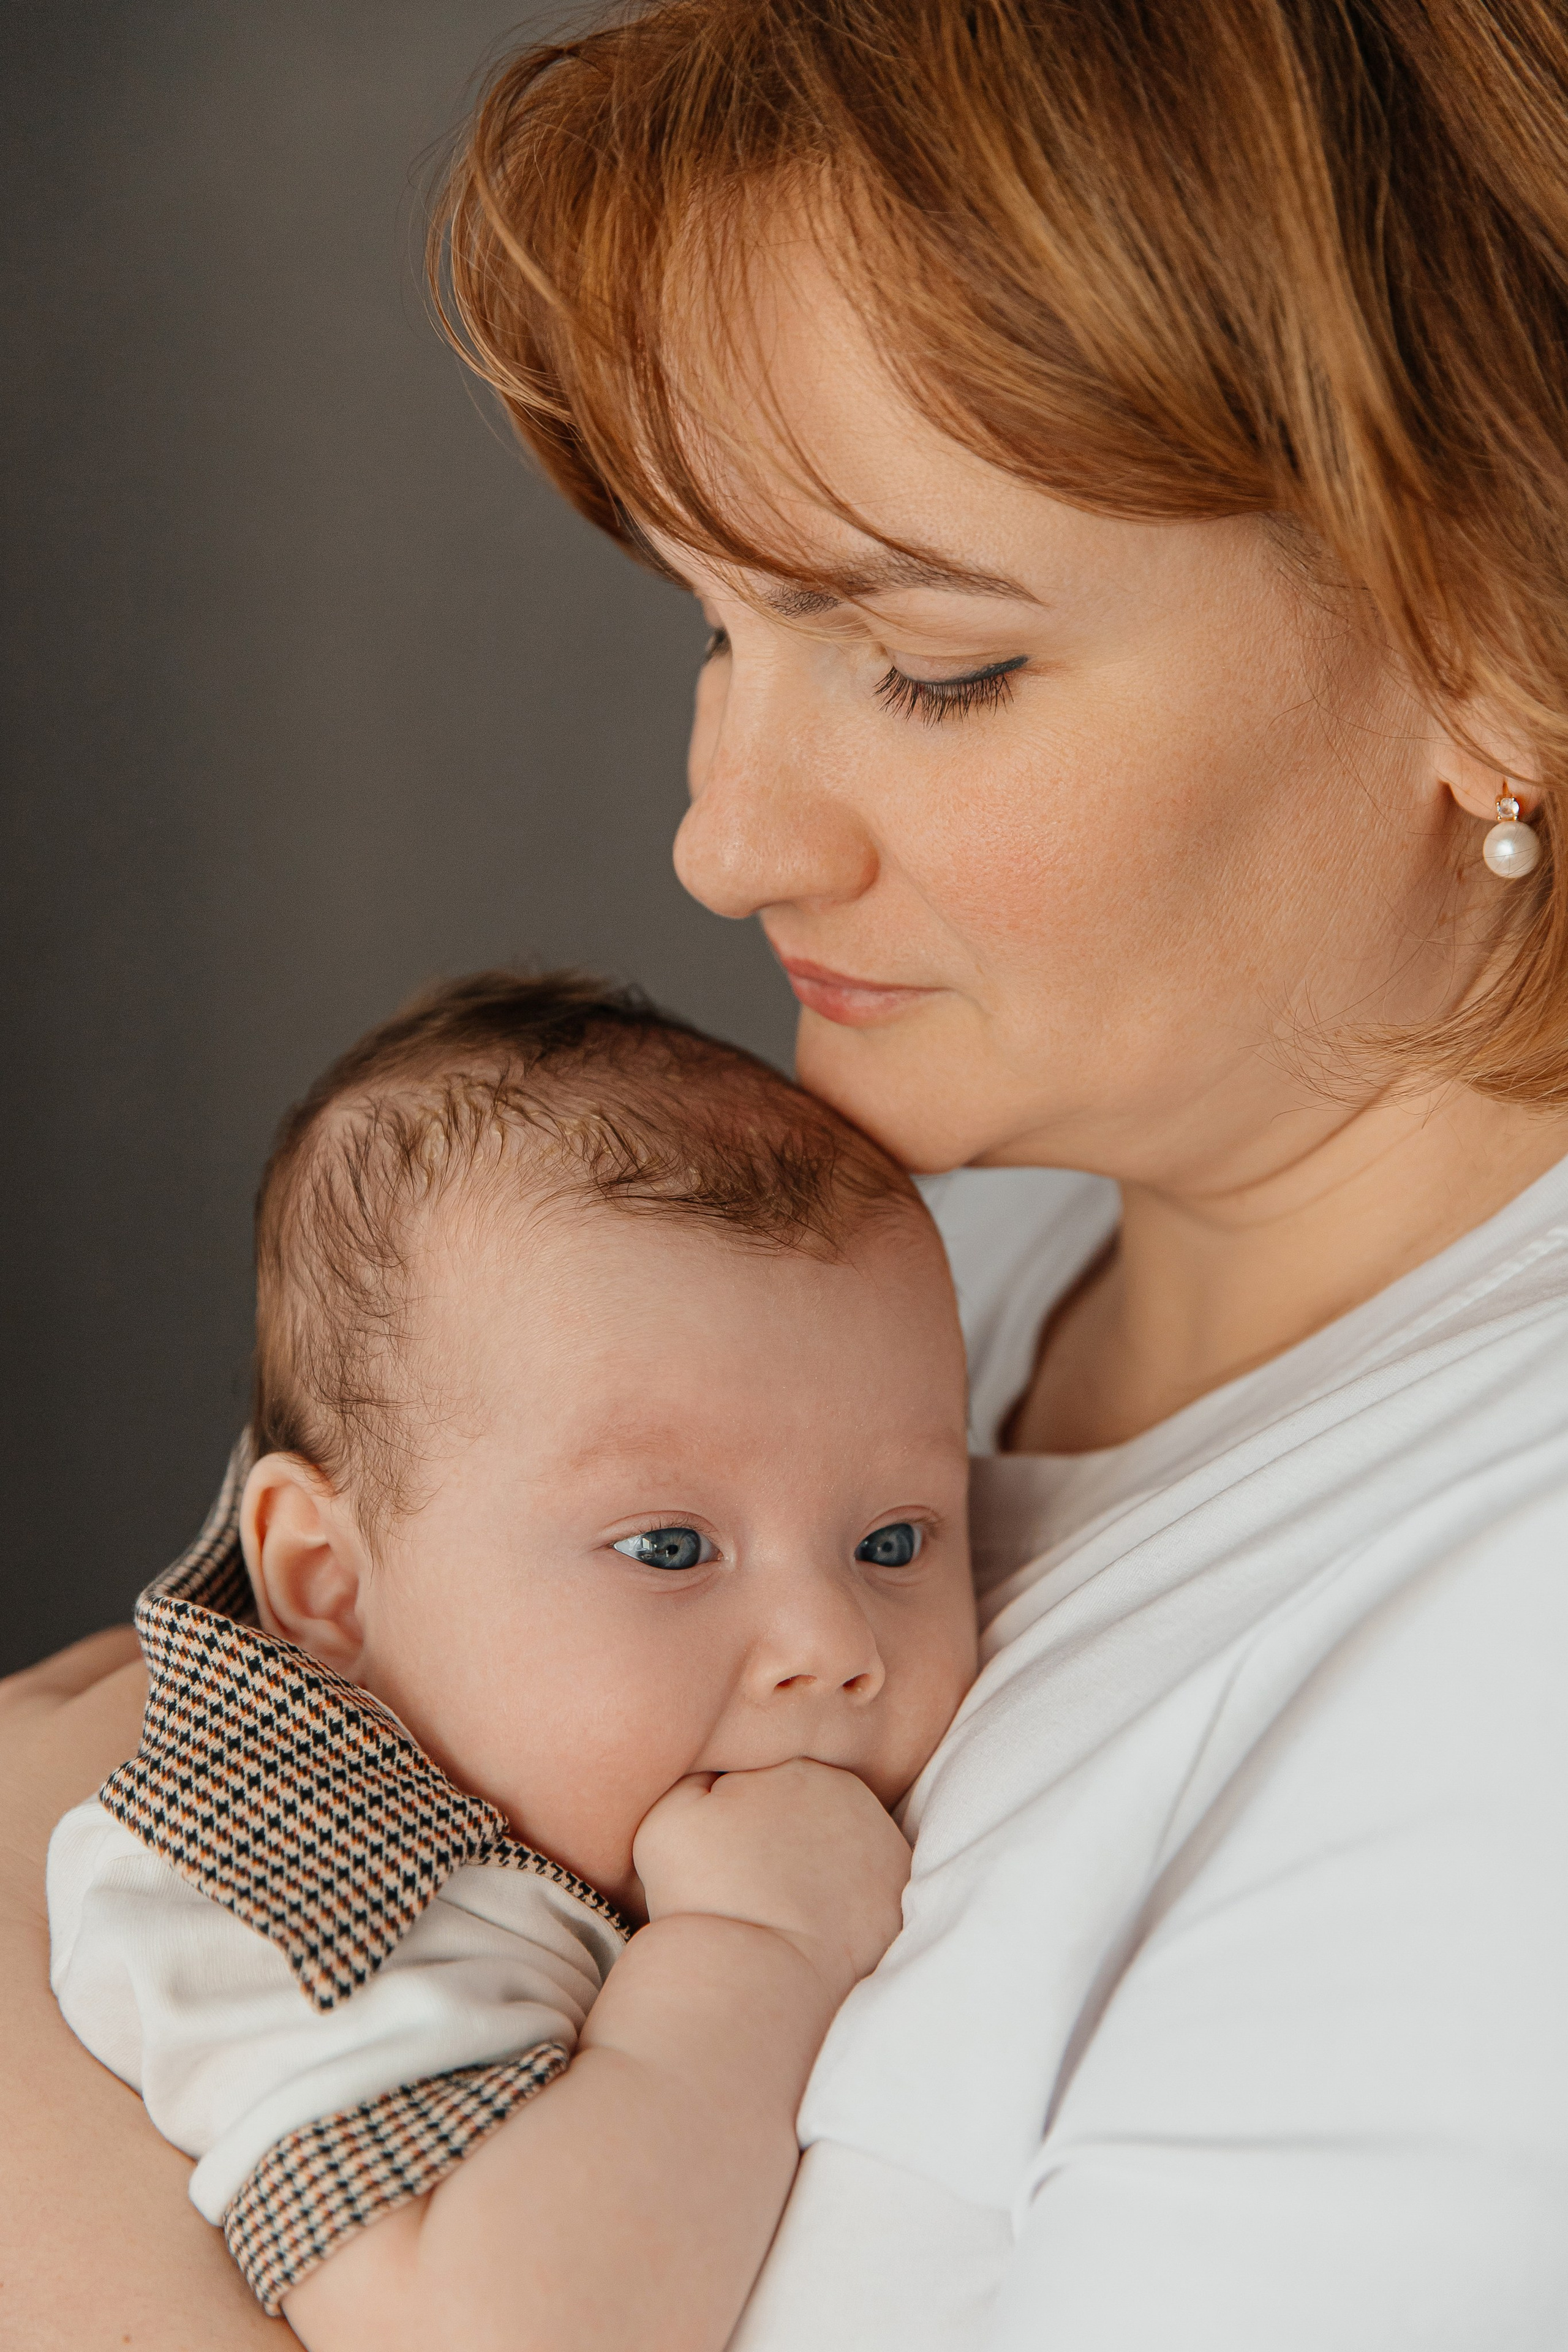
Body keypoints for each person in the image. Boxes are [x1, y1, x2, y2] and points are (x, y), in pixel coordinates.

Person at [5, 0, 1568, 2343]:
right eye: (717, 627)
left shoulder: (1513, 1662)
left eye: (930, 665)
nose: (724, 840)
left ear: (1502, 639)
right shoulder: (919, 1261)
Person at [46, 970, 974, 2351]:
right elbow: (488, 2326)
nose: (832, 1646)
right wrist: (757, 1955)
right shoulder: (289, 1886)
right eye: (669, 1549)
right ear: (325, 1585)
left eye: (893, 1541)